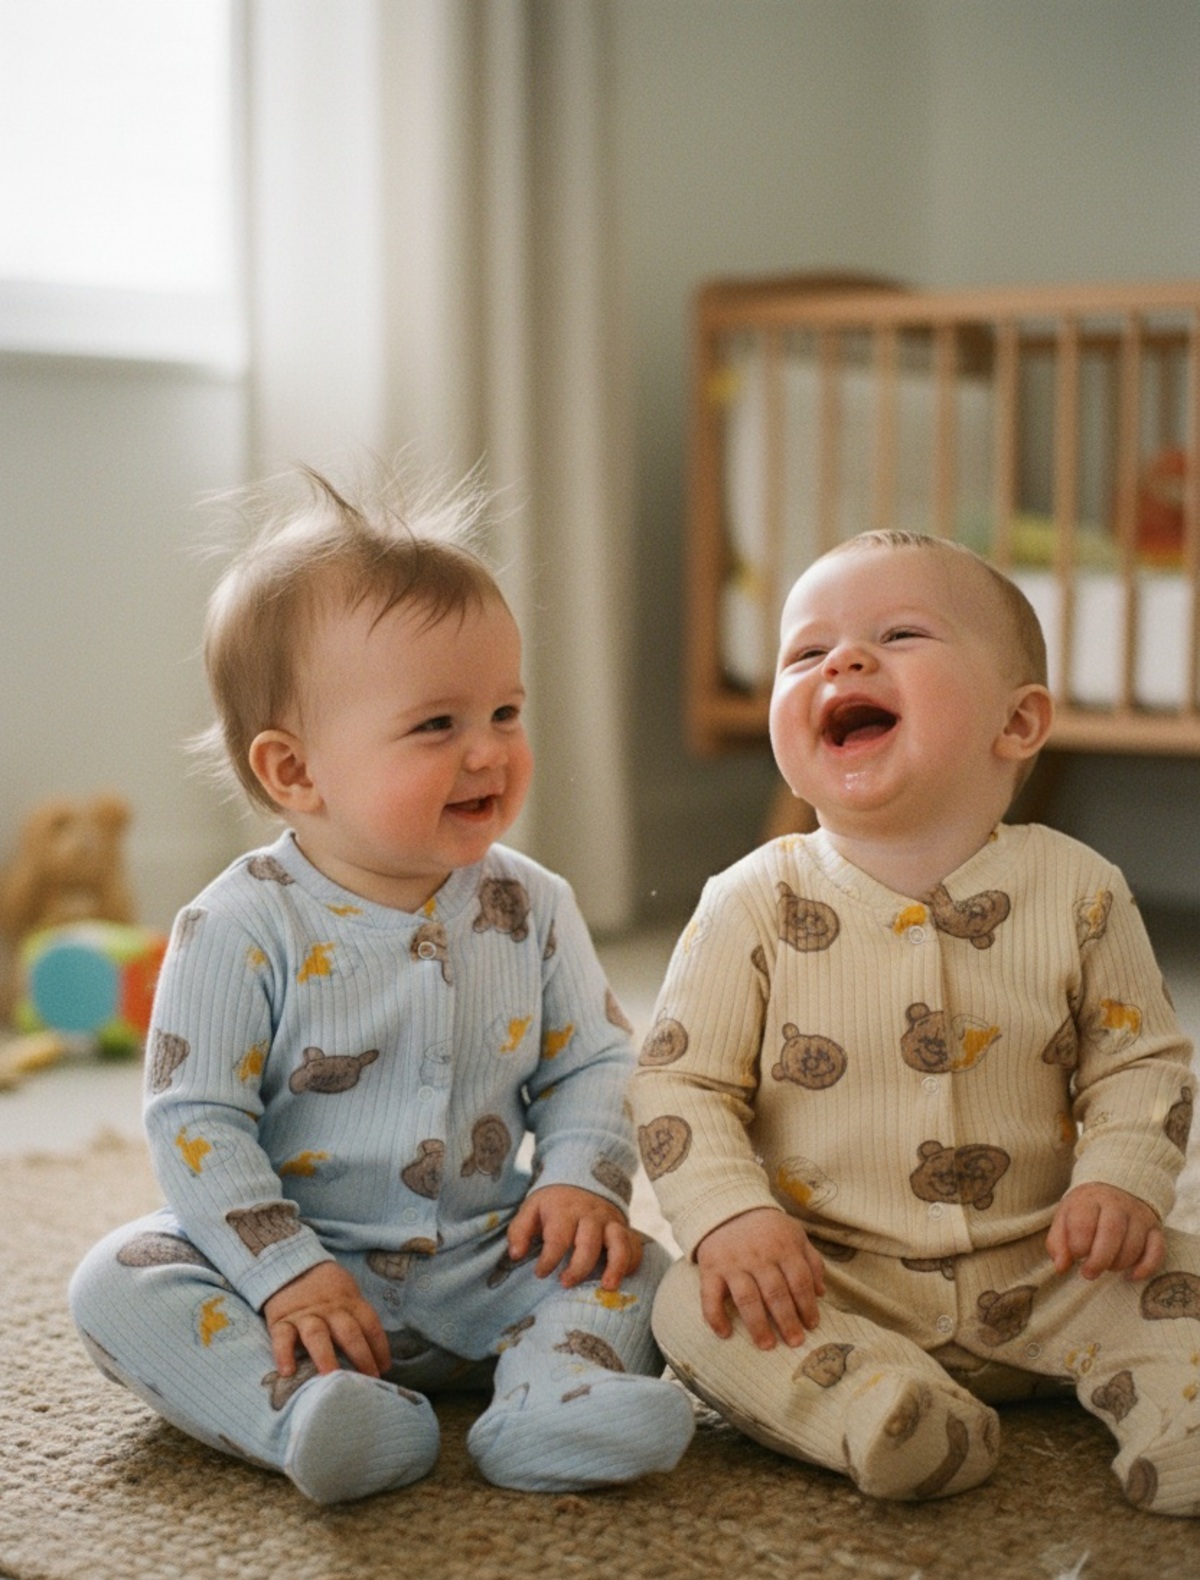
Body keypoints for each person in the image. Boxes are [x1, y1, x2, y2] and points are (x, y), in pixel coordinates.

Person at [69, 467, 694, 1503]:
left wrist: (581, 1179)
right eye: (437, 726)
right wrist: (281, 1270)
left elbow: (592, 1060)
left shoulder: (530, 905)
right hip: (294, 1282)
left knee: (643, 1276)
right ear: (295, 772)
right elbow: (196, 1121)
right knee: (116, 1284)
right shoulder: (236, 925)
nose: (490, 750)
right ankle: (306, 1413)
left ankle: (551, 1399)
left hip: (485, 1265)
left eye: (504, 710)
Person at [635, 528, 1199, 1513]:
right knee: (691, 1307)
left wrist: (1123, 1182)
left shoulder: (1079, 889)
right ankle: (883, 1408)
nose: (842, 661)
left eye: (900, 634)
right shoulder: (749, 900)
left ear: (1017, 723)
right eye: (805, 654)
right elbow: (680, 1082)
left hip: (1058, 1261)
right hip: (835, 1278)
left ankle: (1180, 1417)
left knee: (1182, 1279)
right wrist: (732, 1215)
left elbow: (1140, 1060)